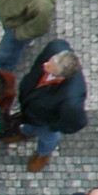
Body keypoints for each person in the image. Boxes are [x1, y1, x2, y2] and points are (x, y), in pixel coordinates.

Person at [13, 40, 87, 172]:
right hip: (31, 106)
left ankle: (44, 153)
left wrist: (52, 126)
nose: (45, 64)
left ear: (61, 76)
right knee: (28, 122)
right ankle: (27, 132)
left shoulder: (71, 100)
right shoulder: (56, 48)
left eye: (50, 67)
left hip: (46, 119)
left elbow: (76, 123)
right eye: (50, 61)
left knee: (48, 137)